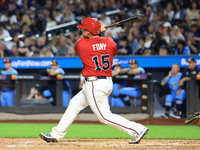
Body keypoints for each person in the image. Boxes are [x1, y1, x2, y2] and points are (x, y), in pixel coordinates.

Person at [39, 18, 148, 144]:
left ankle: (137, 129)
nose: (82, 31)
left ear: (89, 32)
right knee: (74, 104)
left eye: (84, 29)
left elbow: (81, 41)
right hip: (104, 82)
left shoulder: (83, 45)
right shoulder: (110, 41)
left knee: (104, 116)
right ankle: (56, 134)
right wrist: (99, 33)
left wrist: (97, 32)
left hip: (94, 84)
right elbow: (107, 46)